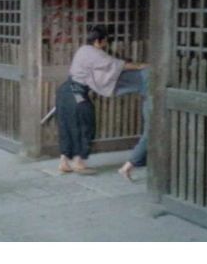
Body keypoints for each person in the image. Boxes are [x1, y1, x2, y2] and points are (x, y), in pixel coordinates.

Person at [56, 25, 149, 175]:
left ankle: (64, 161)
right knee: (85, 125)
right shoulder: (96, 53)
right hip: (77, 93)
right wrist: (140, 65)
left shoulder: (83, 50)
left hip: (65, 90)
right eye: (105, 40)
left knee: (66, 125)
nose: (106, 43)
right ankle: (79, 162)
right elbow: (118, 65)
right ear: (99, 40)